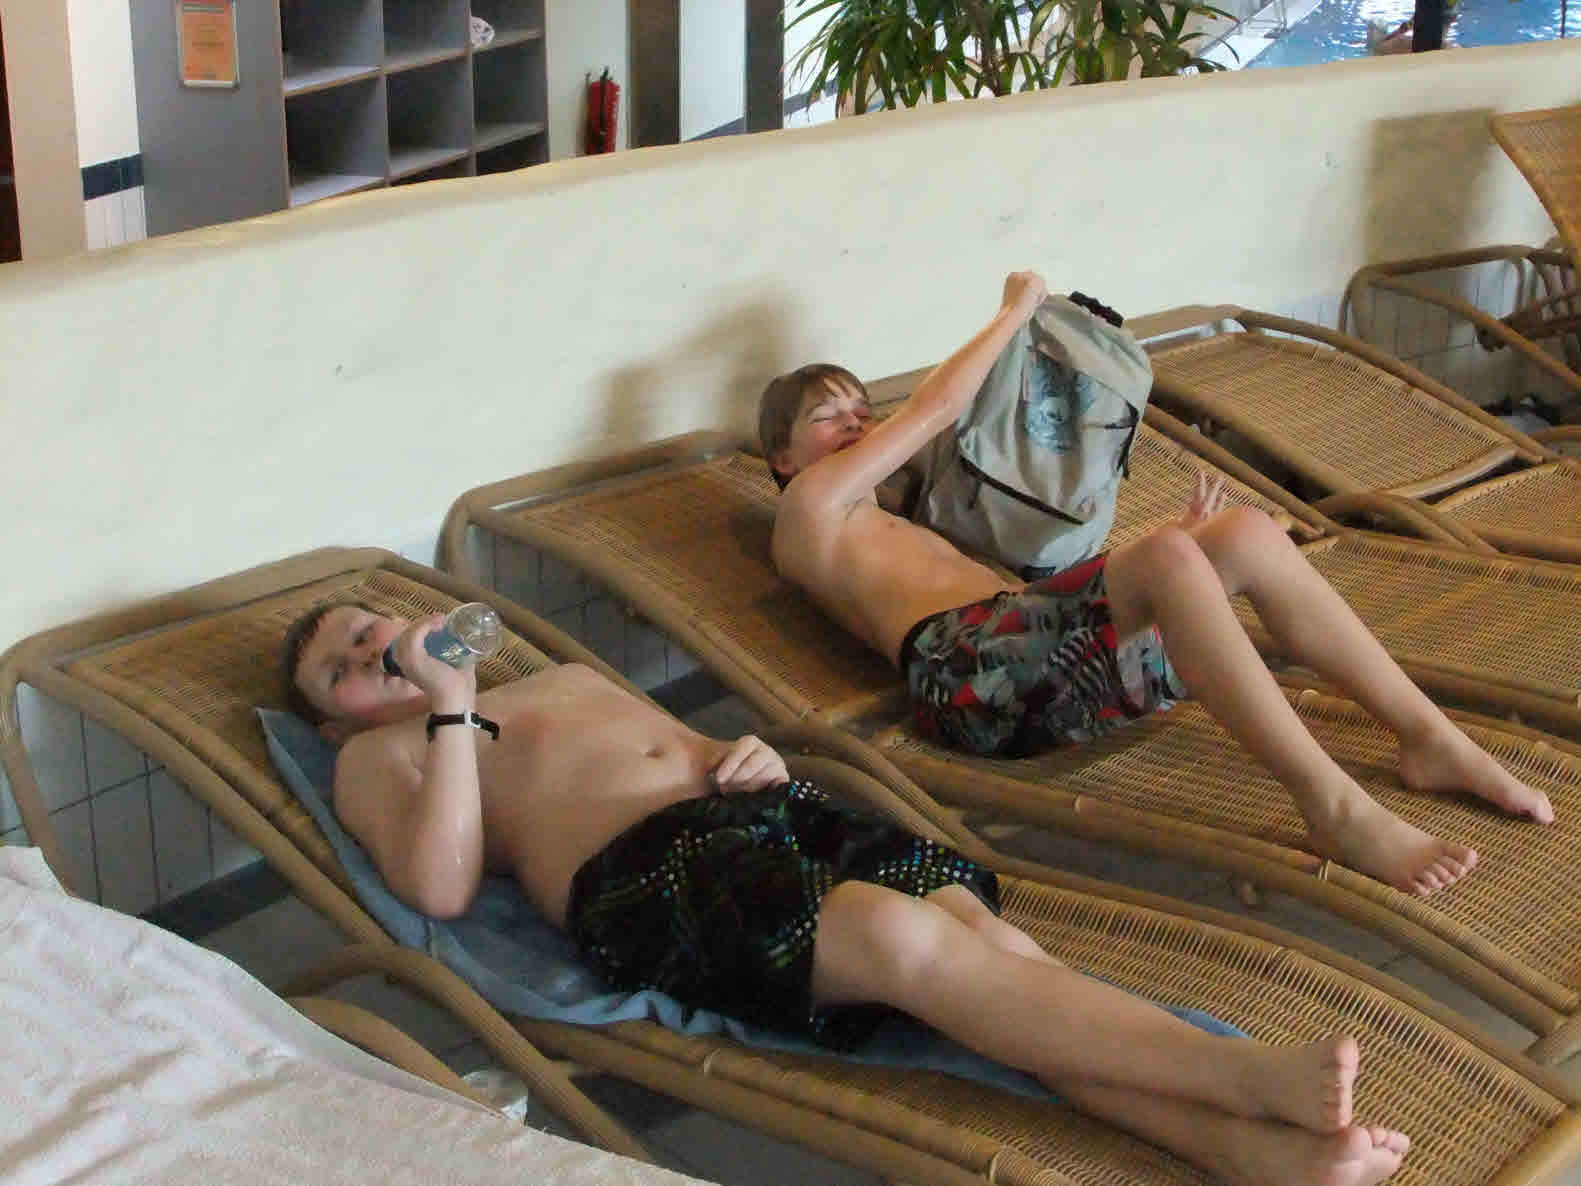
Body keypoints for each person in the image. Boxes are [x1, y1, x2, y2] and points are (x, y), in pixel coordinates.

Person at [284, 600, 1411, 1186]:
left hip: (770, 809)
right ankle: (1233, 1074)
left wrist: (749, 753)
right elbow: (439, 886)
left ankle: (1249, 1155)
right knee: (907, 947)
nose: (368, 651)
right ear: (333, 721)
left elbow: (691, 741)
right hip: (653, 874)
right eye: (341, 668)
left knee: (993, 954)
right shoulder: (379, 756)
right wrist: (448, 707)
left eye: (368, 628)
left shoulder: (563, 676)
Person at [759, 269, 1554, 900]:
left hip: (1021, 660)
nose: (856, 423)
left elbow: (1042, 600)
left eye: (861, 409)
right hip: (962, 686)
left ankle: (1429, 739)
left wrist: (1175, 553)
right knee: (1170, 556)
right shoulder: (808, 510)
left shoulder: (893, 514)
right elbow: (936, 408)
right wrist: (1015, 309)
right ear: (783, 460)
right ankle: (1334, 809)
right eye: (828, 417)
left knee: (1243, 533)